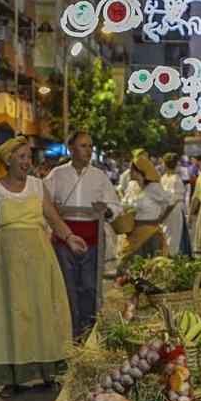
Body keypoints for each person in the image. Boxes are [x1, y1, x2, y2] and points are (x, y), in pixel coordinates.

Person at [0, 136, 84, 394]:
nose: (26, 162)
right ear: (8, 160)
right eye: (21, 157)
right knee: (11, 316)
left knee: (42, 313)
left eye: (28, 156)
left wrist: (69, 236)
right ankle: (12, 378)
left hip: (39, 259)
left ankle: (48, 372)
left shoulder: (38, 187)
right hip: (6, 266)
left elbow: (53, 217)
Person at [43, 131, 119, 338]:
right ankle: (71, 332)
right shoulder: (57, 175)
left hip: (92, 241)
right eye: (84, 146)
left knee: (90, 287)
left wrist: (106, 208)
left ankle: (89, 331)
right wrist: (53, 207)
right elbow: (42, 201)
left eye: (90, 146)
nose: (88, 150)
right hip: (63, 240)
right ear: (71, 148)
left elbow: (115, 205)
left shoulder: (99, 177)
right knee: (67, 288)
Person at [120, 152, 177, 260]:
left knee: (149, 268)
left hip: (150, 235)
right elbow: (124, 205)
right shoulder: (132, 186)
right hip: (133, 233)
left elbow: (170, 201)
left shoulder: (153, 188)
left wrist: (161, 218)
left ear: (139, 171)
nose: (129, 172)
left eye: (132, 169)